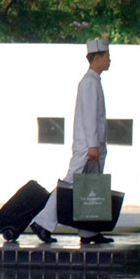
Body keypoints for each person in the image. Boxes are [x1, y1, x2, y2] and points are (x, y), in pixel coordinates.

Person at [31, 38, 112, 246]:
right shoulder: (88, 83)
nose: (109, 60)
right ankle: (43, 222)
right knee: (70, 185)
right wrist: (93, 145)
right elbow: (89, 117)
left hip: (92, 146)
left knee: (88, 188)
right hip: (87, 146)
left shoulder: (93, 82)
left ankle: (89, 231)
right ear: (97, 57)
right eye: (107, 56)